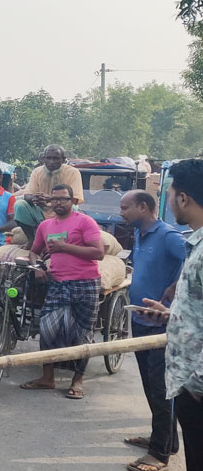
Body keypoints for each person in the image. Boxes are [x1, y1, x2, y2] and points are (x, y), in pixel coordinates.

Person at [137, 159, 203, 471]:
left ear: (182, 198)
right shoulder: (196, 244)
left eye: (171, 191)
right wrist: (172, 313)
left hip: (197, 385)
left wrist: (196, 383)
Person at [119, 190, 184, 471]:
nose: (121, 213)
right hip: (140, 320)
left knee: (160, 388)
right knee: (150, 384)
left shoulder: (168, 236)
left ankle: (158, 454)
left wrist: (172, 290)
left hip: (161, 325)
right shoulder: (140, 234)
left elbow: (192, 262)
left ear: (143, 207)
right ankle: (166, 440)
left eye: (125, 207)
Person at [20, 184, 104, 400]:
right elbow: (34, 251)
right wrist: (38, 266)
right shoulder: (45, 226)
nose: (57, 203)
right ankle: (47, 377)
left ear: (72, 200)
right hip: (57, 283)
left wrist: (65, 247)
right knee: (47, 328)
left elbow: (98, 252)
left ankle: (78, 380)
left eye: (62, 199)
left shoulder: (85, 221)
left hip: (86, 283)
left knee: (83, 332)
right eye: (54, 199)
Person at [13, 145, 84, 244]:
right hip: (40, 210)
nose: (51, 162)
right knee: (19, 205)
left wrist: (50, 199)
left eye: (55, 158)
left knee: (74, 209)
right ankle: (32, 240)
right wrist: (36, 198)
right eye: (48, 158)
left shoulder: (73, 172)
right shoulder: (37, 172)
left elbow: (75, 199)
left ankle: (63, 243)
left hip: (61, 210)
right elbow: (27, 195)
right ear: (43, 158)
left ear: (63, 159)